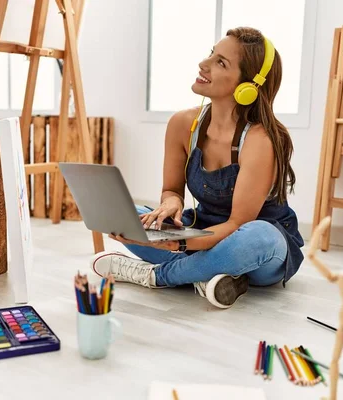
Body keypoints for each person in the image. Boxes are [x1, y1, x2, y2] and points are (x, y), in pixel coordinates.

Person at [90, 27, 304, 309]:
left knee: (258, 237)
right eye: (211, 54)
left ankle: (157, 275)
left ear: (248, 86)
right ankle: (210, 277)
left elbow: (239, 225)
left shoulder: (259, 140)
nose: (204, 65)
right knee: (130, 216)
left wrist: (179, 246)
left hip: (259, 249)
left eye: (221, 62)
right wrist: (170, 204)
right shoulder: (182, 124)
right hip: (201, 229)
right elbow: (171, 189)